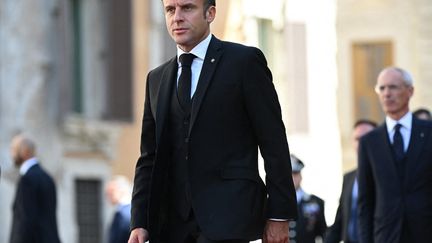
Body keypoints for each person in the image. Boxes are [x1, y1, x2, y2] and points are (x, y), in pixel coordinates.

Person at [128, 0, 298, 242]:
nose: (177, 17)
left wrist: (279, 215)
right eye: (170, 10)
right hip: (172, 226)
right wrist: (140, 221)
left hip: (231, 219)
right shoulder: (156, 79)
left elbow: (273, 143)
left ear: (210, 13)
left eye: (187, 8)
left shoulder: (244, 62)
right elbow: (149, 158)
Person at [357, 67, 432, 243]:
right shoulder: (369, 142)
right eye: (382, 88)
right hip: (386, 236)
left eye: (393, 87)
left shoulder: (429, 133)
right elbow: (365, 201)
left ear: (410, 91)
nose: (387, 94)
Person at [325, 120, 377, 243]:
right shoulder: (349, 178)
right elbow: (340, 220)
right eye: (357, 139)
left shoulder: (385, 177)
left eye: (366, 138)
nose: (362, 143)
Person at [9, 134, 61, 243]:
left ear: (25, 151)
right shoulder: (48, 178)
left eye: (14, 149)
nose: (12, 154)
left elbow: (25, 222)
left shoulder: (27, 179)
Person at [289, 155, 327, 243]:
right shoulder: (274, 203)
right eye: (289, 175)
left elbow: (323, 233)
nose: (292, 178)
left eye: (295, 173)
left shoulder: (316, 202)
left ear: (300, 176)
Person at [106, 175, 132, 243]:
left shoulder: (122, 214)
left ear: (121, 191)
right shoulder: (130, 210)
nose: (108, 196)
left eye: (111, 192)